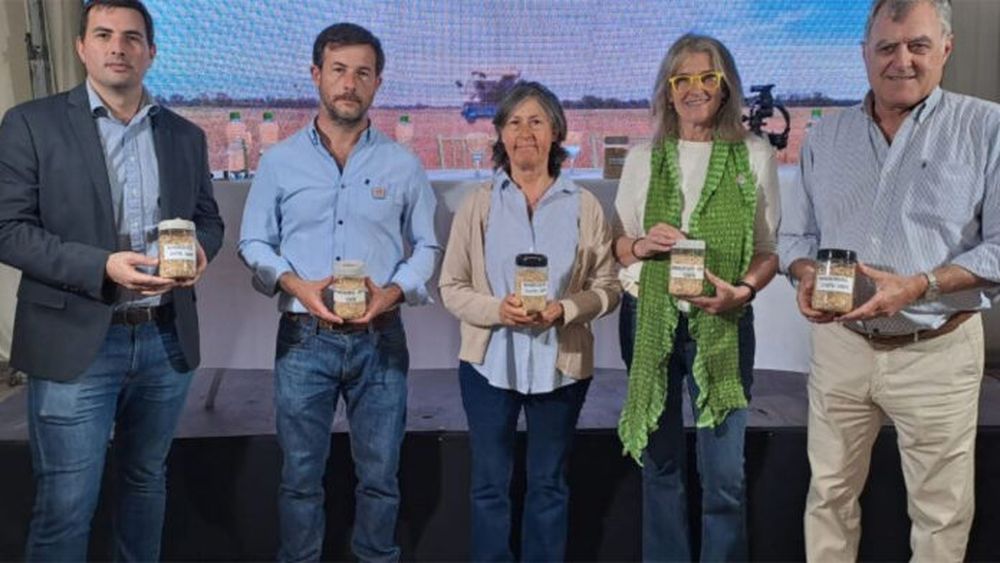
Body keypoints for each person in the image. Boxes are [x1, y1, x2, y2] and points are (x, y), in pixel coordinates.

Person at [0, 0, 224, 560]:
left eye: (131, 37)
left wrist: (200, 249)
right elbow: (8, 229)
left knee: (145, 484)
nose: (117, 47)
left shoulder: (185, 136)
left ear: (151, 51)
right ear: (81, 47)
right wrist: (102, 266)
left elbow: (209, 218)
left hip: (163, 338)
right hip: (76, 341)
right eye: (103, 35)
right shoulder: (31, 124)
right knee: (67, 502)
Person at [778, 0, 1000, 560]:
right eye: (886, 47)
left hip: (937, 348)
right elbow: (795, 240)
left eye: (918, 45)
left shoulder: (987, 127)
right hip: (841, 347)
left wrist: (920, 284)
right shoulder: (827, 137)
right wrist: (804, 274)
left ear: (945, 48)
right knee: (828, 495)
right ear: (864, 54)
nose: (901, 60)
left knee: (940, 513)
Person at [238, 22, 441, 562]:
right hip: (304, 340)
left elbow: (427, 247)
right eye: (338, 70)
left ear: (377, 82)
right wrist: (294, 284)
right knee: (300, 478)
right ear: (315, 76)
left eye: (362, 73)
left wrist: (394, 292)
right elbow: (253, 240)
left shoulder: (403, 164)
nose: (349, 83)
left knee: (381, 478)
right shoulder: (280, 161)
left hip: (381, 339)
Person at [613, 33, 781, 561]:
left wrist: (744, 291)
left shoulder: (753, 155)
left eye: (707, 77)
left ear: (726, 84)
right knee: (661, 469)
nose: (694, 89)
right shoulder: (643, 157)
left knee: (724, 475)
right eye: (681, 79)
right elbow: (619, 247)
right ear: (667, 90)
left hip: (724, 323)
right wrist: (640, 244)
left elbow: (768, 250)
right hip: (651, 319)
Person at [439, 81, 620, 561]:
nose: (525, 133)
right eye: (514, 122)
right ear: (499, 134)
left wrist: (567, 309)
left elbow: (609, 287)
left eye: (536, 121)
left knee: (549, 486)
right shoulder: (477, 204)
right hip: (488, 368)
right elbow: (451, 287)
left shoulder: (583, 206)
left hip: (560, 370)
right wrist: (497, 310)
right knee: (489, 488)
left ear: (556, 133)